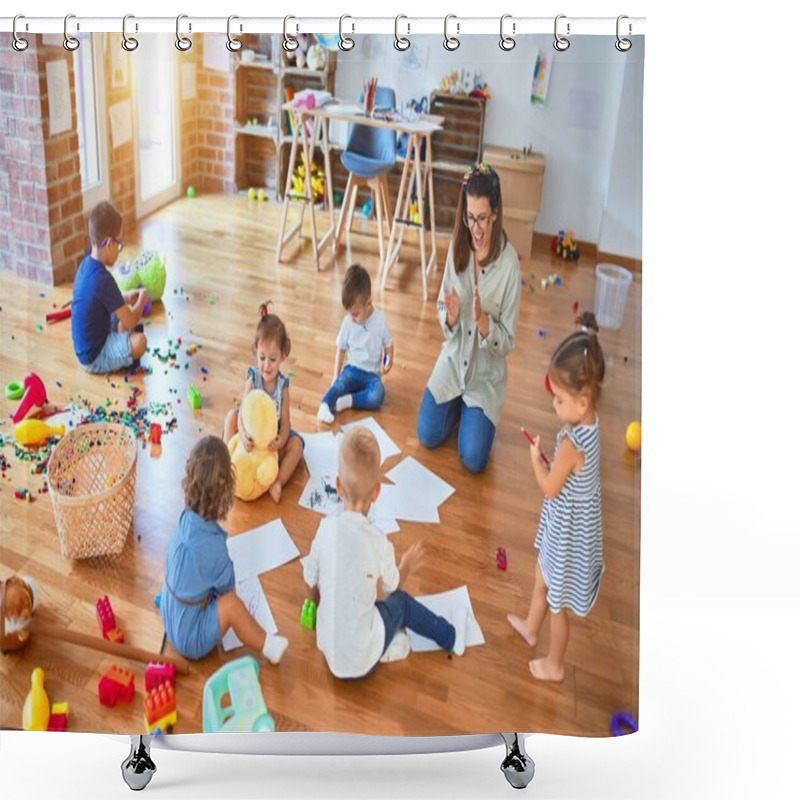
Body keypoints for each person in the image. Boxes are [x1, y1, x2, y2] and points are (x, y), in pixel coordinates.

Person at [302, 427, 467, 680]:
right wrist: (406, 565)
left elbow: (310, 580)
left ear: (338, 485)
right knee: (401, 603)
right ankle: (451, 637)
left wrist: (315, 603)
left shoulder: (325, 528)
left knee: (362, 601)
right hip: (360, 660)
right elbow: (393, 586)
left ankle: (383, 644)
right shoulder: (378, 540)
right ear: (377, 492)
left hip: (328, 649)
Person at [507, 313, 605, 682]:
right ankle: (533, 628)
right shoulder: (591, 425)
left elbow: (549, 487)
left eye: (559, 399)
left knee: (558, 603)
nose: (553, 406)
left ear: (582, 402)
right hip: (571, 524)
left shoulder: (570, 443)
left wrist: (536, 461)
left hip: (567, 536)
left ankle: (556, 664)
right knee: (541, 577)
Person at [417, 163, 521, 473]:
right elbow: (441, 311)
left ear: (496, 214)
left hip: (484, 377)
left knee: (474, 460)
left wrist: (483, 322)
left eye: (483, 219)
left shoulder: (509, 266)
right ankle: (461, 410)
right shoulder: (458, 248)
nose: (476, 229)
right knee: (427, 435)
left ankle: (472, 412)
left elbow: (509, 341)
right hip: (452, 363)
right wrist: (449, 318)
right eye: (470, 218)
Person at [160, 436, 289, 663]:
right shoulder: (214, 547)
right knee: (232, 606)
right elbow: (227, 588)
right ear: (226, 491)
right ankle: (268, 645)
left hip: (169, 616)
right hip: (189, 638)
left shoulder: (184, 519)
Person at [223, 302, 304, 503]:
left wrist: (281, 440)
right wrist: (241, 433)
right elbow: (242, 414)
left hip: (270, 441)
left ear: (283, 356)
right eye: (262, 357)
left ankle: (277, 481)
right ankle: (224, 466)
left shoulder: (283, 386)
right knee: (231, 416)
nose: (266, 365)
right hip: (250, 436)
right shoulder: (253, 379)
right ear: (255, 352)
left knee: (297, 445)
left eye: (273, 359)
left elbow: (285, 423)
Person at [71, 201, 148, 374]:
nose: (119, 250)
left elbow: (100, 299)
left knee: (124, 310)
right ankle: (121, 347)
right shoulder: (103, 279)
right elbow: (131, 320)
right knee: (140, 342)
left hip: (87, 344)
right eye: (119, 245)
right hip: (94, 356)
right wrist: (142, 299)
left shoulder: (86, 264)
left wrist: (125, 297)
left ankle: (120, 338)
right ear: (109, 243)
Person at [317, 264, 394, 424]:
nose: (352, 318)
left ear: (368, 303)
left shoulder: (380, 320)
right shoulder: (348, 322)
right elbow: (341, 349)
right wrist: (336, 376)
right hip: (352, 371)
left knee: (378, 395)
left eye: (355, 314)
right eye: (349, 314)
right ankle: (325, 405)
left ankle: (348, 401)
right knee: (339, 385)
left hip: (372, 376)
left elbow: (388, 345)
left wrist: (388, 362)